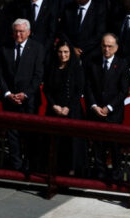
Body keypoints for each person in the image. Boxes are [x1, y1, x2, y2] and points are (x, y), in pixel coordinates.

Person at [0, 18, 44, 171]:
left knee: (29, 134)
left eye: (21, 31)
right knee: (12, 134)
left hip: (29, 100)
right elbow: (0, 74)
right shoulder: (5, 48)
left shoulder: (37, 48)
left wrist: (26, 94)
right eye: (16, 31)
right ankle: (15, 166)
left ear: (28, 32)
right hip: (10, 99)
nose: (18, 34)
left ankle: (29, 165)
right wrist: (8, 93)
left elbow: (38, 75)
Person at [85, 33, 129, 181]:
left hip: (113, 112)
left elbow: (123, 91)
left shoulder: (122, 64)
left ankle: (116, 173)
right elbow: (88, 87)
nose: (106, 49)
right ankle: (100, 171)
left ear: (116, 48)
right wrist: (94, 106)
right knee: (98, 143)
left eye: (110, 46)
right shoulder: (93, 62)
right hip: (96, 111)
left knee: (114, 145)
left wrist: (109, 107)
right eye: (104, 45)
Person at [43, 39, 85, 175]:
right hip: (54, 108)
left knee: (71, 141)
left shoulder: (76, 68)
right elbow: (47, 89)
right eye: (60, 52)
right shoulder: (52, 67)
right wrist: (54, 105)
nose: (63, 55)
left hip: (72, 109)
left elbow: (78, 91)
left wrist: (68, 107)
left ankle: (71, 170)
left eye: (66, 52)